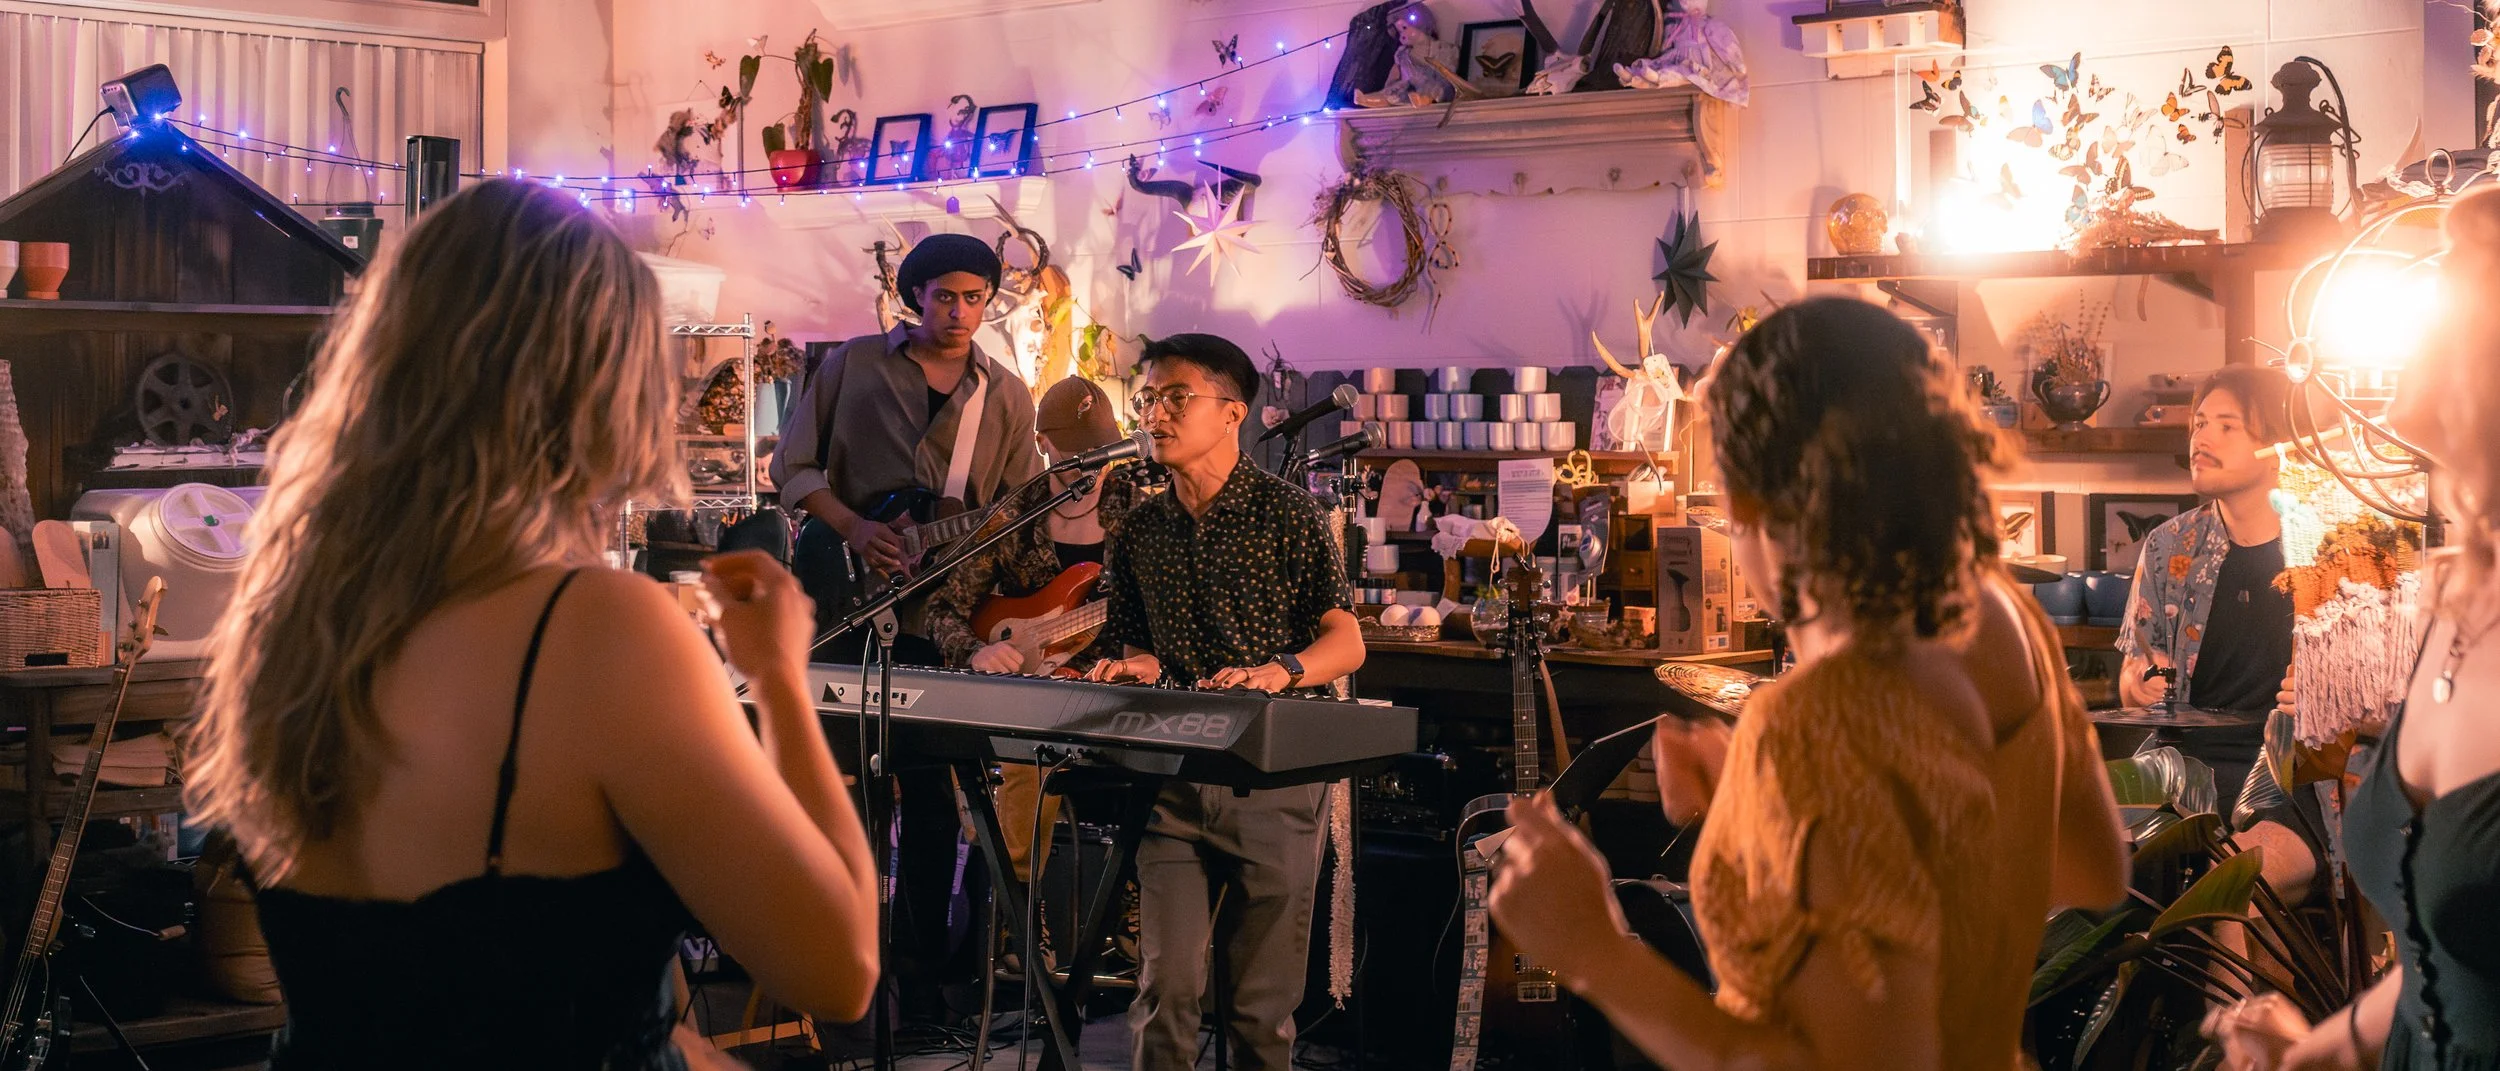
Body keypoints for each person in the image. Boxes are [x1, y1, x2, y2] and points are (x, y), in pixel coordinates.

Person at [182, 180, 879, 1069]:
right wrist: (780, 678)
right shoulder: (600, 629)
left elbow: (440, 998)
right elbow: (839, 967)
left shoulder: (287, 619)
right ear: (598, 389)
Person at [1486, 296, 2128, 1069]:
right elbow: (2088, 868)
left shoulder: (1821, 718)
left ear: (1757, 500)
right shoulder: (2001, 613)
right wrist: (1769, 812)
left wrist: (1594, 950)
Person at [2203, 183, 2500, 1071]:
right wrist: (2319, 1049)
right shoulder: (2462, 601)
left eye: (2451, 283)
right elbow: (2438, 969)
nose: (2417, 313)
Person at [768, 232, 1042, 1016]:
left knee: (929, 792)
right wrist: (853, 529)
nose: (960, 312)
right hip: (844, 593)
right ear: (913, 295)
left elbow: (1021, 509)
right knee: (840, 779)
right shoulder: (853, 363)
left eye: (975, 297)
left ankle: (920, 965)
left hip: (944, 610)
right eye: (945, 295)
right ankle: (828, 951)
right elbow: (794, 466)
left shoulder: (1008, 394)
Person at [1081, 334, 1367, 1071]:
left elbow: (1346, 639)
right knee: (1165, 987)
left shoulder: (1288, 513)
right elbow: (1136, 641)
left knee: (1258, 1009)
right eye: (1147, 399)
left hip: (1271, 783)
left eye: (1177, 397)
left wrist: (1280, 669)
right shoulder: (1140, 527)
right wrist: (1130, 665)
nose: (1155, 414)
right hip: (1173, 778)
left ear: (1234, 412)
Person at [923, 375, 1146, 886]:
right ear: (1044, 446)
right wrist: (977, 651)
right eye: (1076, 453)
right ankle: (1019, 921)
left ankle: (1132, 909)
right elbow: (942, 606)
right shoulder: (1015, 516)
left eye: (1101, 452)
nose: (1093, 465)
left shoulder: (1140, 511)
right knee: (1026, 763)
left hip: (1117, 690)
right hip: (1036, 699)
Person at [2114, 366, 2321, 900]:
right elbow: (2137, 666)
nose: (2201, 438)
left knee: (2231, 886)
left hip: (2296, 778)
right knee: (2075, 859)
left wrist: (2329, 696)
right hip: (2180, 766)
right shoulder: (2168, 545)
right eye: (2199, 423)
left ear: (2278, 444)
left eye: (2226, 426)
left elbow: (2386, 695)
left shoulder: (2331, 545)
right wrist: (2143, 681)